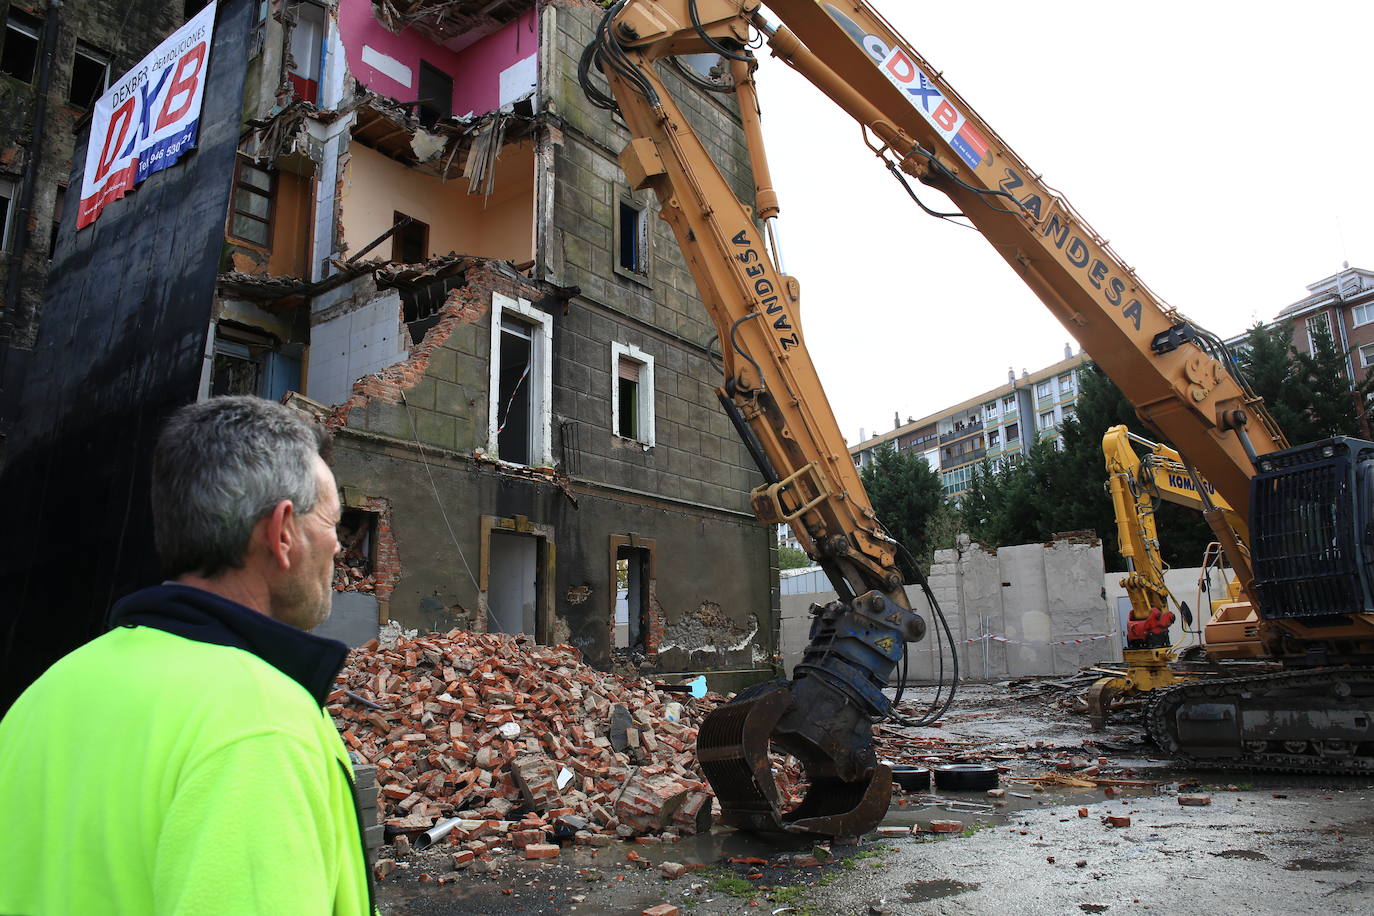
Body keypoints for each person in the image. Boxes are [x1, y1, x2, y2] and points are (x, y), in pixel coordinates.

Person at [0, 396, 374, 915]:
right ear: (282, 532)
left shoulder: (42, 697)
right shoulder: (261, 728)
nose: (339, 547)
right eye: (333, 523)